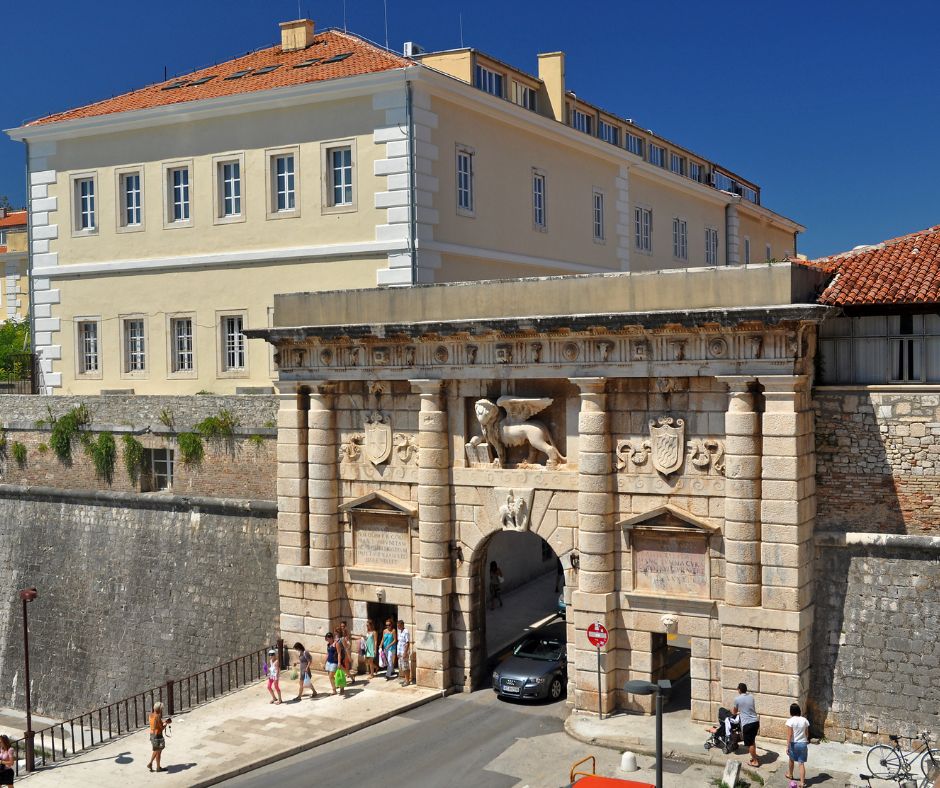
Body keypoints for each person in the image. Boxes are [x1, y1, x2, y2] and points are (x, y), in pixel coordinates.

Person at [732, 683, 760, 767]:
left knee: (750, 744)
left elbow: (734, 712)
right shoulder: (751, 697)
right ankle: (754, 757)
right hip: (755, 722)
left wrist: (739, 712)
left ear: (739, 690)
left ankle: (755, 761)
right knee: (752, 740)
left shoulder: (737, 699)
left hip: (747, 724)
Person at [785, 702, 810, 787]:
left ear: (791, 711)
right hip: (803, 743)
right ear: (799, 710)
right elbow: (807, 734)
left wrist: (787, 746)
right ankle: (802, 783)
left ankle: (790, 774)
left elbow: (789, 735)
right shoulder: (804, 720)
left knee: (791, 759)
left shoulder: (790, 721)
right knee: (801, 763)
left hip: (793, 743)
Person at [147, 701, 171, 772]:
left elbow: (155, 724)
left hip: (152, 734)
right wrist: (166, 723)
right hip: (158, 735)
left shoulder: (151, 715)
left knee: (157, 750)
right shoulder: (158, 716)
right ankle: (152, 764)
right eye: (161, 709)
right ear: (159, 709)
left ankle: (157, 767)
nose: (162, 710)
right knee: (158, 751)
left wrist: (163, 722)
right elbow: (161, 728)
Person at [336, 621, 354, 686]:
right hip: (337, 655)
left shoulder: (342, 638)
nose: (336, 633)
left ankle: (348, 678)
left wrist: (349, 657)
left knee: (342, 668)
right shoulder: (336, 638)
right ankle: (341, 682)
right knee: (340, 669)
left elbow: (346, 648)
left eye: (337, 632)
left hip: (342, 654)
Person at [397, 619, 412, 686]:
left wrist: (405, 652)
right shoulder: (400, 632)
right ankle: (406, 679)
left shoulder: (406, 632)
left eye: (399, 625)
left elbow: (407, 642)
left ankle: (407, 681)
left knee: (405, 667)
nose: (398, 627)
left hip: (404, 652)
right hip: (400, 652)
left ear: (402, 625)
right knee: (402, 667)